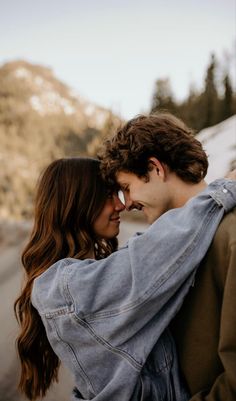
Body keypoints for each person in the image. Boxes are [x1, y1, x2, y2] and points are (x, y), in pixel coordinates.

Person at [14, 157, 236, 401]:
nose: (120, 205)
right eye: (108, 196)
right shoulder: (63, 287)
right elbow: (152, 255)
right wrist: (223, 188)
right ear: (78, 202)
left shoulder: (84, 274)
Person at [99, 112, 236, 400]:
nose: (127, 204)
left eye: (127, 188)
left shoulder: (230, 236)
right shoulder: (165, 246)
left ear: (155, 168)